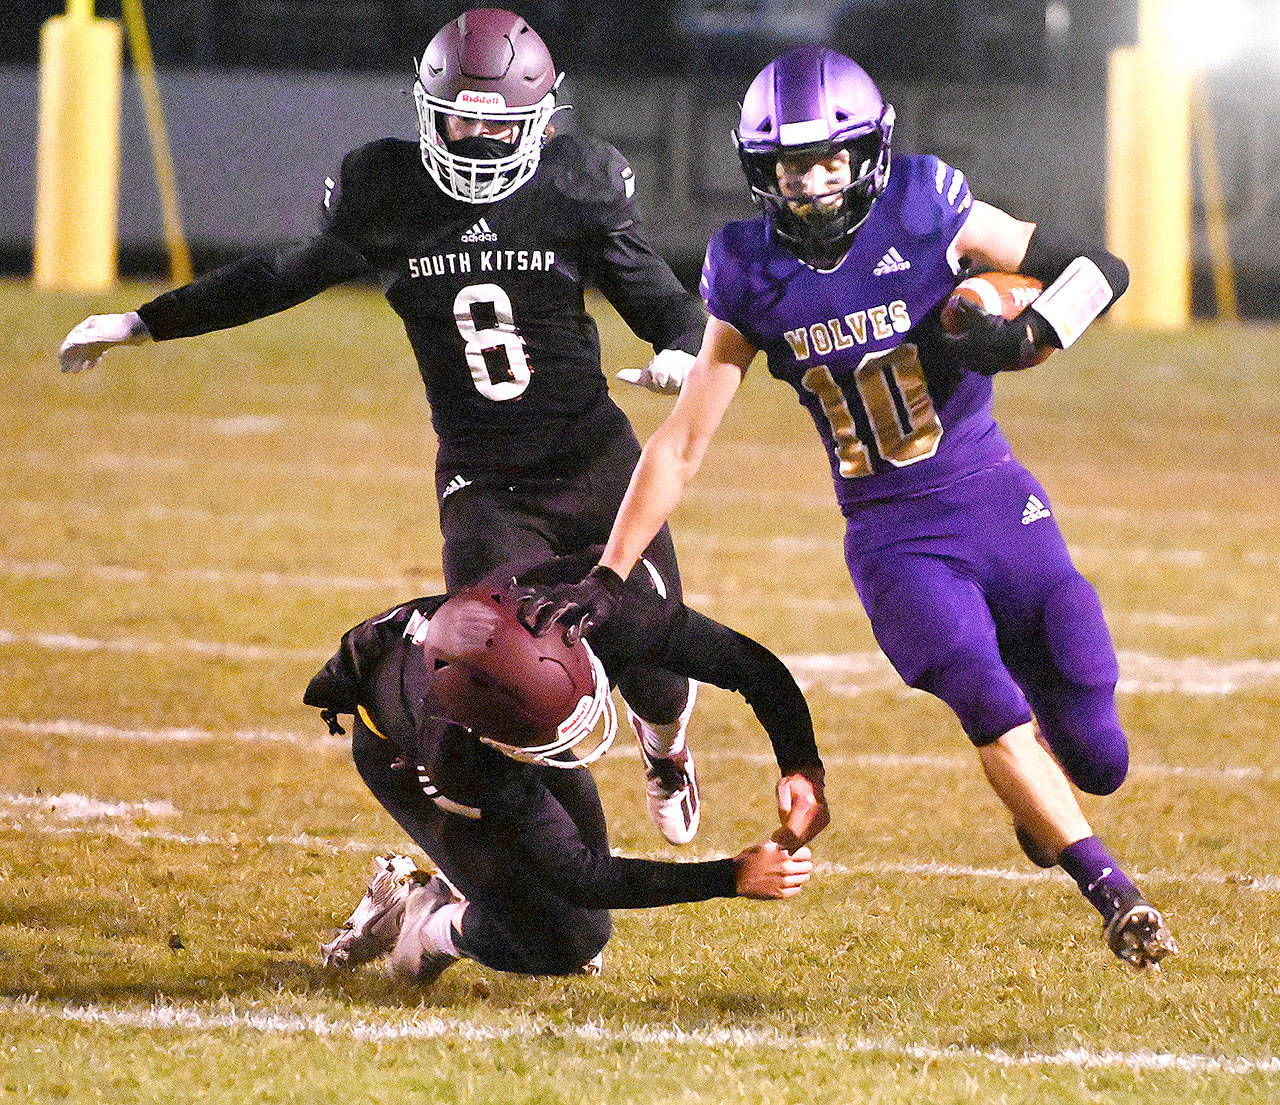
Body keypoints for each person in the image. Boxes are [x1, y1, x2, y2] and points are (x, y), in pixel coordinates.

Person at [522, 47, 1177, 970]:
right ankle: (1114, 891)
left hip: (993, 493)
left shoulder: (928, 202)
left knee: (1099, 751)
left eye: (835, 158)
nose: (818, 181)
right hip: (893, 535)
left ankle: (1049, 803)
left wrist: (1029, 331)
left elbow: (1097, 261)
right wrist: (609, 569)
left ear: (870, 151)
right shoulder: (746, 270)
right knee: (985, 698)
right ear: (764, 171)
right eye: (795, 164)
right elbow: (682, 441)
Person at [56, 8, 706, 847]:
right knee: (493, 670)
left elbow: (662, 297)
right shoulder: (389, 189)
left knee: (652, 661)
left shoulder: (576, 182)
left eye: (497, 124)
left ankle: (666, 750)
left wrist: (683, 354)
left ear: (542, 123)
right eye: (460, 118)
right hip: (481, 478)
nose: (474, 140)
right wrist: (148, 321)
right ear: (427, 113)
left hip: (592, 459)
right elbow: (281, 276)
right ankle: (553, 872)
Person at [304, 558, 826, 982]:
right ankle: (429, 922)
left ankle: (467, 892)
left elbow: (750, 666)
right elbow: (580, 878)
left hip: (480, 710)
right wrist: (730, 876)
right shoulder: (454, 752)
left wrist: (801, 764)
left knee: (572, 881)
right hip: (400, 755)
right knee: (567, 940)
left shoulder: (593, 615)